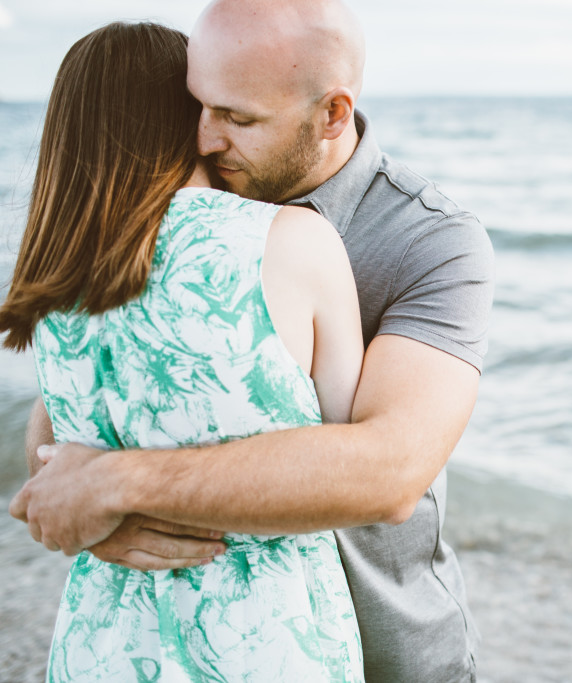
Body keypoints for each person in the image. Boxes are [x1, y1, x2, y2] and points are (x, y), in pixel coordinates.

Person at [10, 0, 494, 681]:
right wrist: (95, 510)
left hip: (390, 652)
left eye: (237, 119)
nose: (203, 140)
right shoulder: (176, 215)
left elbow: (390, 469)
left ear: (330, 114)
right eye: (197, 107)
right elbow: (66, 412)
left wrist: (116, 481)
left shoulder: (431, 240)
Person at [0, 21, 366, 681]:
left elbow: (48, 459)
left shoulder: (56, 281)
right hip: (265, 641)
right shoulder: (291, 239)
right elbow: (344, 452)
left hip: (99, 643)